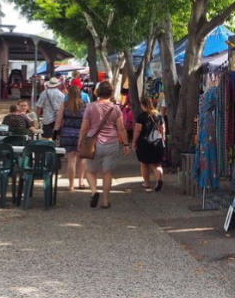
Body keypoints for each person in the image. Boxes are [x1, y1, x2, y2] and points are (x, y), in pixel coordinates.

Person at [78, 81, 130, 209]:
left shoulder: (90, 107)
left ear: (98, 92)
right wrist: (126, 144)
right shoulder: (116, 108)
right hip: (111, 143)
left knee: (90, 171)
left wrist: (80, 141)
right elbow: (121, 128)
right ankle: (106, 201)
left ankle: (94, 191)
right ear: (111, 93)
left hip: (93, 144)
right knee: (107, 173)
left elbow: (84, 128)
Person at [55, 86, 87, 191]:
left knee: (71, 161)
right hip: (81, 135)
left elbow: (59, 121)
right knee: (81, 160)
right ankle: (81, 181)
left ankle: (71, 184)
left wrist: (55, 132)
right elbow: (88, 121)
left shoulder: (64, 105)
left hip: (67, 134)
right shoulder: (85, 105)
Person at [133, 96, 165, 191]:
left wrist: (134, 141)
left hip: (144, 143)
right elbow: (162, 129)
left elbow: (138, 130)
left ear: (143, 105)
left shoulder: (141, 117)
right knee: (157, 164)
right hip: (157, 142)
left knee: (144, 163)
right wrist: (162, 138)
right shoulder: (159, 115)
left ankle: (146, 183)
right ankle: (158, 179)